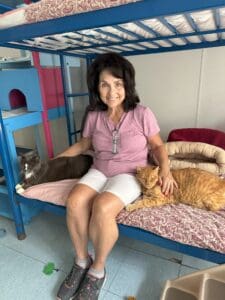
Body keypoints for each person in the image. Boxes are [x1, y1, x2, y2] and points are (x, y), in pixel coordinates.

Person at [56, 52, 177, 300]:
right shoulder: (93, 115)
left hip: (130, 173)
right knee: (75, 201)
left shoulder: (142, 113)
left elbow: (157, 146)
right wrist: (57, 160)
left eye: (118, 84)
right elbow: (83, 145)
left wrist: (165, 168)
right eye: (104, 84)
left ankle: (97, 271)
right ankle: (81, 261)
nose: (111, 92)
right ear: (96, 87)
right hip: (99, 169)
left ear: (127, 85)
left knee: (102, 206)